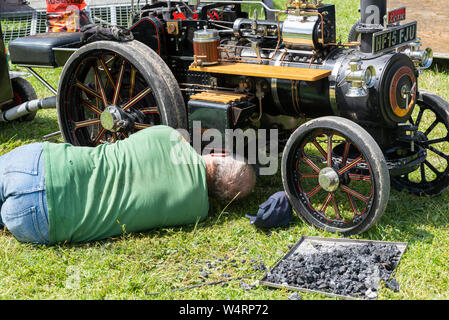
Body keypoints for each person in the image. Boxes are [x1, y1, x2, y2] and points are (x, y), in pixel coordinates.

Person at [0, 126, 256, 245]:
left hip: (37, 167)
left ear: (221, 155)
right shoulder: (196, 213)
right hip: (38, 224)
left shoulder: (167, 136)